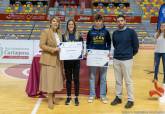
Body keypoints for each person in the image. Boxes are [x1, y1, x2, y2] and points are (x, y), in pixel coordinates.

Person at [111, 15, 139, 108]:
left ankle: (130, 99)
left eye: (122, 21)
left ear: (125, 21)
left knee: (128, 81)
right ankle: (118, 97)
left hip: (127, 60)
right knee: (118, 80)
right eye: (118, 21)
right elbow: (115, 45)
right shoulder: (114, 33)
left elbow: (136, 47)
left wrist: (129, 55)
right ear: (116, 23)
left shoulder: (131, 32)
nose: (120, 23)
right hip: (116, 59)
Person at [39, 16, 64, 109]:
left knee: (54, 80)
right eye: (54, 21)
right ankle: (49, 99)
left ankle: (53, 97)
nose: (55, 23)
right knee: (49, 80)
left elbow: (61, 46)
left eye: (57, 22)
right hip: (48, 59)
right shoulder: (46, 32)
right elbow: (41, 45)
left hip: (57, 60)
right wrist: (53, 49)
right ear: (50, 23)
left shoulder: (59, 33)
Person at [86, 14, 111, 104]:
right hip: (93, 58)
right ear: (94, 22)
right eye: (96, 21)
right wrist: (88, 51)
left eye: (100, 21)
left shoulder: (106, 32)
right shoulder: (90, 32)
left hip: (103, 58)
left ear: (102, 21)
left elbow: (109, 43)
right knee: (92, 77)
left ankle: (103, 95)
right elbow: (88, 43)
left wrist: (108, 52)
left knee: (103, 78)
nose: (98, 22)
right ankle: (92, 95)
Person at [62, 19, 83, 106]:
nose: (71, 25)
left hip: (76, 62)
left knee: (76, 79)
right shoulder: (63, 36)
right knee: (68, 80)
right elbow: (61, 48)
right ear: (67, 26)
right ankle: (68, 96)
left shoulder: (79, 35)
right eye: (69, 24)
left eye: (72, 24)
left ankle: (76, 97)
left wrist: (81, 53)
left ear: (74, 25)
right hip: (67, 61)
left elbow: (82, 47)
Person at [153, 22, 165, 91]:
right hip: (157, 52)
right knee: (156, 66)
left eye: (164, 26)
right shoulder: (157, 34)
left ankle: (164, 79)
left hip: (164, 53)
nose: (162, 27)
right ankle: (155, 78)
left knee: (164, 66)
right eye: (162, 26)